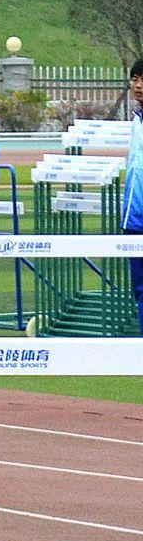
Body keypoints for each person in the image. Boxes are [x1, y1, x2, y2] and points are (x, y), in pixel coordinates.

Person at [120, 58, 143, 334]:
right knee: (140, 290)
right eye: (135, 79)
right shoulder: (137, 119)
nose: (138, 86)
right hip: (134, 218)